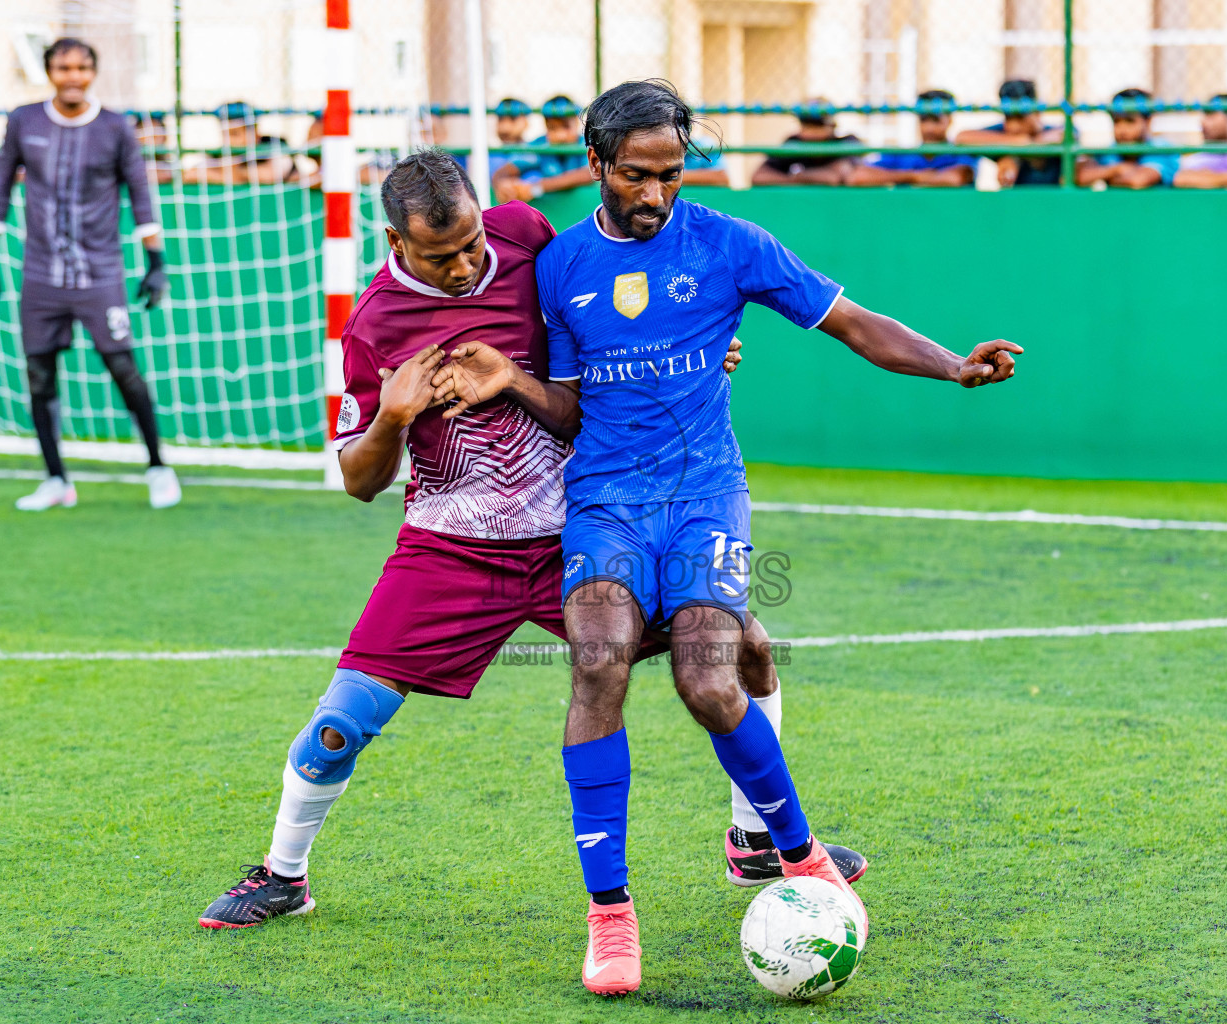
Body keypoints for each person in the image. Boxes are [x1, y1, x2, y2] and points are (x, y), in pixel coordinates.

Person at [195, 150, 865, 931]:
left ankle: (754, 838)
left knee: (739, 647)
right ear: (393, 241)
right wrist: (392, 416)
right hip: (449, 552)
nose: (465, 266)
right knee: (339, 725)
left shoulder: (528, 238)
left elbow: (598, 340)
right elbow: (357, 479)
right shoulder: (374, 323)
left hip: (574, 533)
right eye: (441, 258)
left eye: (473, 244)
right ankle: (283, 874)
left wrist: (691, 355)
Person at [460, 79, 1019, 996]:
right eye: (637, 177)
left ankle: (796, 860)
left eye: (671, 176)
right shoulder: (559, 267)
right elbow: (567, 409)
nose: (655, 195)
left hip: (704, 496)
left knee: (710, 679)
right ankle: (609, 916)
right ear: (597, 164)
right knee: (597, 664)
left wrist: (952, 365)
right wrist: (516, 385)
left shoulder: (728, 242)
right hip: (604, 499)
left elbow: (852, 323)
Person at [0, 38, 179, 511]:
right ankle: (56, 480)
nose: (72, 76)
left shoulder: (115, 128)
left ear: (93, 72)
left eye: (81, 67)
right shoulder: (23, 120)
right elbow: (1, 184)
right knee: (39, 376)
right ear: (49, 71)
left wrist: (155, 263)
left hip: (100, 274)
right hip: (40, 275)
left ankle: (157, 467)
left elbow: (139, 195)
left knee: (123, 368)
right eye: (63, 67)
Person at [850, 89, 975, 188]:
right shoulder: (903, 154)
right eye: (923, 120)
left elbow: (954, 178)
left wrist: (895, 177)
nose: (929, 128)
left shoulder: (960, 152)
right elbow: (859, 176)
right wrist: (914, 176)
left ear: (950, 120)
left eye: (936, 120)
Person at [955, 78, 1062, 187]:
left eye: (1020, 117)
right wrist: (1016, 145)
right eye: (1008, 117)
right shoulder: (1003, 131)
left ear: (1037, 112)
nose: (1013, 126)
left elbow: (1065, 134)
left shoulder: (1053, 130)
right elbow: (962, 137)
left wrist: (1024, 148)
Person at [1074, 88, 1178, 189]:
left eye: (1130, 121)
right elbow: (1077, 176)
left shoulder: (1161, 149)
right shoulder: (1110, 151)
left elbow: (1138, 181)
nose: (1122, 130)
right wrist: (1117, 170)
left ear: (1148, 121)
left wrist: (1104, 177)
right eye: (1117, 121)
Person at [491, 95, 591, 200]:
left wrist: (536, 188)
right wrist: (501, 184)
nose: (560, 135)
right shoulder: (540, 145)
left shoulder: (587, 144)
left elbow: (588, 174)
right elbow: (506, 170)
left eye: (566, 127)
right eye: (552, 128)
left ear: (576, 122)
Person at [751, 99, 860, 185]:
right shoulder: (794, 142)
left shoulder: (847, 142)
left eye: (817, 125)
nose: (811, 132)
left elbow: (833, 177)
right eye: (806, 125)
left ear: (831, 126)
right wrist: (797, 180)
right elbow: (759, 177)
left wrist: (797, 176)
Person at [184, 101, 292, 185]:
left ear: (255, 133)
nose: (229, 141)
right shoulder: (219, 154)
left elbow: (270, 175)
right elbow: (190, 174)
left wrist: (227, 173)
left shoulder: (275, 147)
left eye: (234, 134)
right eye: (225, 134)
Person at [128, 111, 175, 185]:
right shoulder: (130, 164)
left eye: (156, 132)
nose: (152, 137)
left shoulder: (170, 165)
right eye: (146, 132)